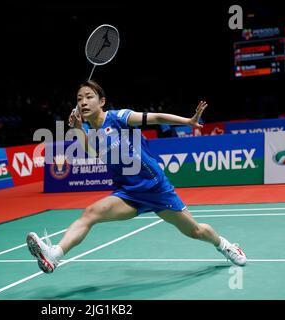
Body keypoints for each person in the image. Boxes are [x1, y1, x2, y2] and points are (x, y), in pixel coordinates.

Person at [26, 80, 246, 274]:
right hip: (128, 193)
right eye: (79, 98)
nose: (83, 102)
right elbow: (93, 152)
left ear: (102, 102)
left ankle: (224, 245)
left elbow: (155, 117)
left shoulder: (118, 117)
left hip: (156, 188)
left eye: (89, 97)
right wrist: (77, 129)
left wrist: (187, 121)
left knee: (195, 231)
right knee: (91, 213)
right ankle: (54, 255)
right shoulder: (89, 131)